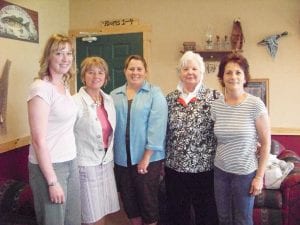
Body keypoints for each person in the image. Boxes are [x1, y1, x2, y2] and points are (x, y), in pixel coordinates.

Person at [27, 34, 81, 225]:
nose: (66, 58)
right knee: (53, 221)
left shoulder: (64, 86)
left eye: (69, 53)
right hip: (49, 167)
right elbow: (38, 140)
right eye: (59, 53)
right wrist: (52, 181)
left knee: (73, 220)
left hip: (70, 161)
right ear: (49, 56)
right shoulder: (40, 88)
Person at [211, 53, 271, 225]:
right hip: (220, 172)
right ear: (222, 77)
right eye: (228, 73)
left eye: (238, 72)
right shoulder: (216, 106)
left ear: (245, 77)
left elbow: (266, 143)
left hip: (245, 173)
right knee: (223, 218)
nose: (233, 77)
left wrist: (259, 177)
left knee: (243, 220)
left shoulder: (255, 104)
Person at [110, 55, 168, 225]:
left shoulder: (154, 93)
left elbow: (157, 128)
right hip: (122, 160)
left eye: (139, 69)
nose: (135, 72)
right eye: (131, 69)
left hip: (148, 160)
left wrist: (146, 157)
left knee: (148, 203)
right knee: (129, 203)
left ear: (146, 72)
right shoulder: (114, 95)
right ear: (125, 71)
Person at [165, 50, 219, 225]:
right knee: (177, 213)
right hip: (175, 167)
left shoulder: (214, 97)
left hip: (204, 168)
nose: (190, 72)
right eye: (185, 68)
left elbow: (226, 126)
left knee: (206, 213)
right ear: (180, 73)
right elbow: (163, 131)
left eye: (194, 69)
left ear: (201, 73)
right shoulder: (169, 99)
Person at [73, 56, 120, 225]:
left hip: (106, 162)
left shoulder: (108, 100)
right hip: (86, 165)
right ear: (83, 76)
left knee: (104, 210)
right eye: (90, 72)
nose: (96, 76)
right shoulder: (74, 102)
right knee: (91, 215)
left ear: (106, 77)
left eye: (100, 72)